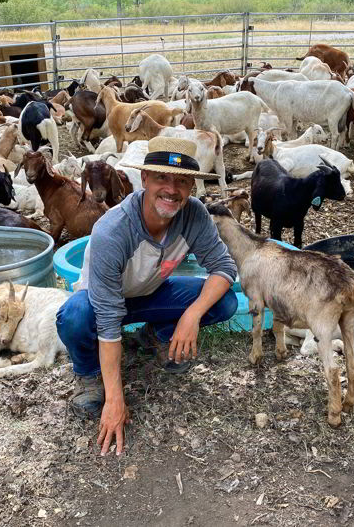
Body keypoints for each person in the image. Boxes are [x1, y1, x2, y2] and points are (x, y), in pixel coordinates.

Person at [56, 137, 238, 456]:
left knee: (224, 302)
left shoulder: (194, 215)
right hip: (101, 303)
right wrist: (115, 399)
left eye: (182, 181)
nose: (172, 189)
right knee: (75, 315)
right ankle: (88, 375)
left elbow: (223, 267)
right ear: (144, 180)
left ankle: (156, 335)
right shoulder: (114, 229)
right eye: (162, 178)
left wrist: (191, 315)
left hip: (151, 293)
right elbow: (109, 319)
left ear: (192, 187)